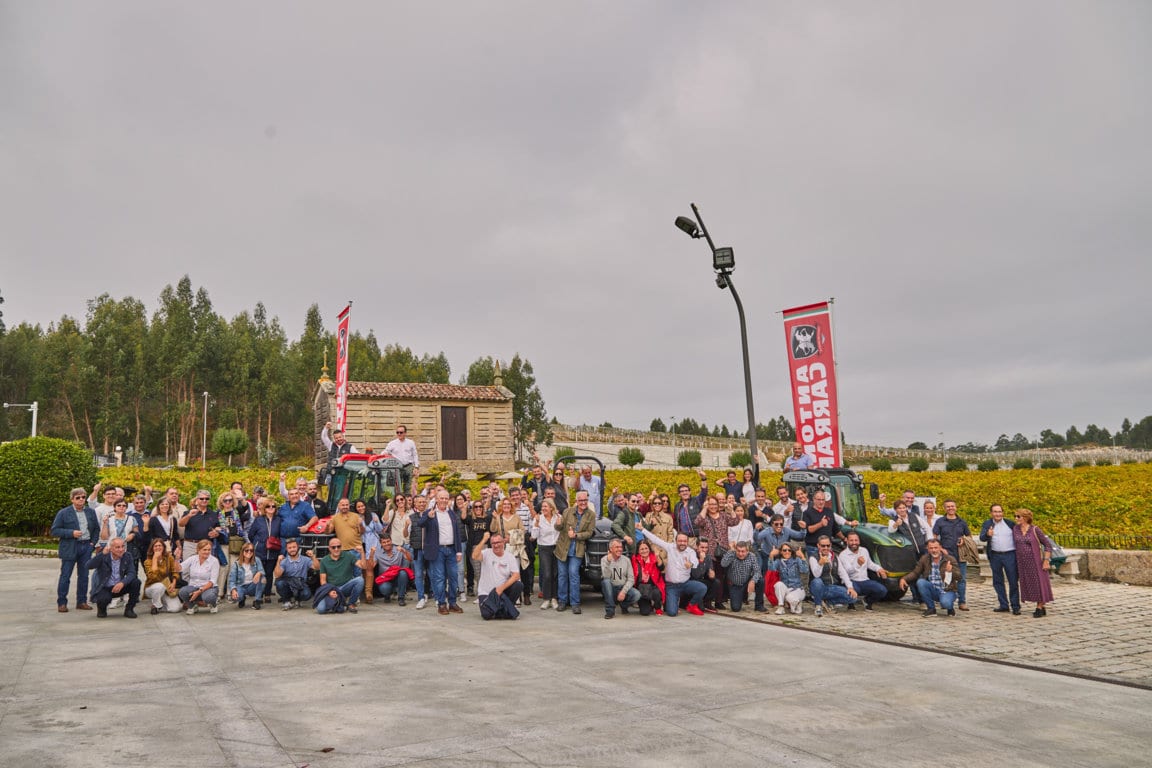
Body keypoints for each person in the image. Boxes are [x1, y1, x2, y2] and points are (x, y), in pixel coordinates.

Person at [51, 488, 101, 612]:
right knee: (65, 576)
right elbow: (55, 530)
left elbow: (96, 529)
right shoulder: (63, 513)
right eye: (78, 497)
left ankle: (82, 601)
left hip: (86, 547)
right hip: (70, 547)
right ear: (72, 499)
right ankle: (62, 603)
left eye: (83, 497)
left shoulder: (90, 512)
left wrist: (92, 544)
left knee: (84, 576)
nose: (81, 500)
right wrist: (71, 533)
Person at [419, 490, 463, 615]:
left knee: (454, 577)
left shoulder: (452, 514)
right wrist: (428, 517)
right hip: (437, 550)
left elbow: (457, 533)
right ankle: (442, 603)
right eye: (441, 498)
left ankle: (453, 603)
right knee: (439, 578)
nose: (444, 500)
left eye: (446, 498)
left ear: (448, 500)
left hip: (452, 549)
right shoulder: (430, 512)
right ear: (437, 499)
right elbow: (420, 523)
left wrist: (459, 551)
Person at [642, 530, 706, 616]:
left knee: (702, 588)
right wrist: (642, 529)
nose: (682, 543)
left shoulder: (691, 552)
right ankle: (674, 602)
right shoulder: (670, 547)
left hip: (685, 584)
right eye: (680, 541)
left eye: (684, 541)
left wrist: (690, 564)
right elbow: (655, 539)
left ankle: (692, 605)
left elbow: (696, 562)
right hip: (672, 586)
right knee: (672, 613)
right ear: (676, 541)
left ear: (687, 542)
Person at [554, 490, 596, 614]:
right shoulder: (567, 512)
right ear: (576, 501)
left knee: (573, 575)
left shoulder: (591, 515)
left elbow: (589, 533)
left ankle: (575, 603)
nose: (583, 503)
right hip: (563, 548)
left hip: (577, 549)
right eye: (581, 500)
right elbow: (559, 528)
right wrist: (558, 524)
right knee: (562, 575)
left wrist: (576, 535)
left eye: (585, 500)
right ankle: (562, 601)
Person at [900, 539, 960, 617]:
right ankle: (931, 609)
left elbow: (959, 577)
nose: (934, 550)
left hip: (947, 590)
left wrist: (950, 571)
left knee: (945, 604)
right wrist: (904, 579)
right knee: (921, 582)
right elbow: (916, 572)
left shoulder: (949, 559)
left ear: (940, 548)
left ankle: (950, 607)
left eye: (936, 548)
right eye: (931, 548)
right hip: (933, 589)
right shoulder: (925, 559)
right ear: (927, 549)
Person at [979, 504, 1020, 615]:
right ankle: (1003, 605)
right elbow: (982, 537)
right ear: (991, 513)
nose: (997, 514)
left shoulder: (1010, 524)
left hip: (1010, 555)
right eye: (995, 512)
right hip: (995, 555)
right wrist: (988, 534)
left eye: (999, 511)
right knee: (997, 581)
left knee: (1013, 580)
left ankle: (1015, 606)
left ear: (1003, 512)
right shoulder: (987, 523)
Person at [1013, 509, 1054, 618]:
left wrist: (1046, 560)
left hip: (1036, 562)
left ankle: (1039, 607)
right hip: (1022, 563)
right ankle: (1042, 605)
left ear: (1025, 518)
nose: (1016, 518)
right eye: (1015, 516)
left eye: (1018, 516)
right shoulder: (1015, 529)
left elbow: (1048, 545)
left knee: (1039, 583)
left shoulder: (1035, 530)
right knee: (1030, 585)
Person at [312, 537, 370, 614]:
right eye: (333, 547)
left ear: (341, 547)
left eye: (338, 546)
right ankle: (340, 602)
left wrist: (362, 553)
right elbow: (323, 580)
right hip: (332, 589)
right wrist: (329, 591)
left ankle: (351, 603)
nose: (336, 549)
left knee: (360, 580)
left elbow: (364, 566)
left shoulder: (348, 555)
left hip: (345, 587)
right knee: (321, 610)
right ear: (329, 548)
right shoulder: (324, 560)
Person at [932, 500, 972, 611]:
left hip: (960, 555)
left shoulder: (962, 522)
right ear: (944, 508)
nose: (950, 508)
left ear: (956, 507)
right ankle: (946, 600)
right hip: (946, 555)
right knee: (946, 578)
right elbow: (935, 537)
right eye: (948, 506)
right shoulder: (940, 521)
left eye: (952, 506)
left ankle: (962, 602)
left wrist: (964, 540)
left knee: (961, 579)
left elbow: (969, 536)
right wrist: (940, 549)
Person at [86, 537, 140, 618]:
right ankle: (102, 609)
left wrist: (122, 583)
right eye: (117, 547)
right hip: (105, 588)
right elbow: (88, 565)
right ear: (111, 548)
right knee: (103, 600)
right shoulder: (104, 556)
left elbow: (132, 573)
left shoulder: (127, 556)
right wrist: (101, 554)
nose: (121, 549)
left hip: (120, 586)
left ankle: (129, 609)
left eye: (123, 546)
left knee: (136, 582)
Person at [473, 533, 523, 618]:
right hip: (486, 593)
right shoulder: (486, 553)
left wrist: (501, 588)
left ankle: (503, 608)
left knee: (518, 585)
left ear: (503, 542)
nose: (496, 545)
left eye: (498, 542)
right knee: (486, 615)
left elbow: (516, 576)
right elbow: (474, 556)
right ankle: (504, 609)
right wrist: (484, 540)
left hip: (502, 591)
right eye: (493, 543)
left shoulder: (510, 557)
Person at [836, 532, 889, 610]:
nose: (854, 543)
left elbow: (870, 564)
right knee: (854, 590)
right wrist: (857, 564)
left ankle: (867, 601)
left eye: (856, 540)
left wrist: (879, 569)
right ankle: (851, 604)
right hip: (851, 581)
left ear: (859, 541)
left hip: (864, 581)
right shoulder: (843, 555)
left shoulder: (864, 550)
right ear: (847, 541)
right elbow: (847, 571)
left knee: (882, 590)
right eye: (851, 540)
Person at [808, 536, 857, 617]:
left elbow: (843, 573)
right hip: (818, 587)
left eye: (828, 545)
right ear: (818, 545)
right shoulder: (813, 557)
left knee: (853, 598)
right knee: (817, 581)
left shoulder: (835, 556)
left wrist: (850, 587)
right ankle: (818, 605)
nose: (826, 548)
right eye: (823, 546)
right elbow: (816, 575)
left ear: (830, 545)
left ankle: (828, 603)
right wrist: (820, 564)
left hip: (831, 587)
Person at [530, 498, 561, 609]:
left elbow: (562, 531)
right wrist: (537, 524)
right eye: (542, 507)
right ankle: (546, 598)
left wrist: (559, 524)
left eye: (545, 507)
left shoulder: (558, 517)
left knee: (555, 574)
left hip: (556, 547)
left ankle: (554, 598)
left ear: (551, 508)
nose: (543, 509)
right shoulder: (539, 518)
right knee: (547, 574)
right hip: (544, 548)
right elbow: (534, 536)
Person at [600, 538, 639, 619]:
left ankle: (624, 606)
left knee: (637, 595)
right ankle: (610, 611)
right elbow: (606, 576)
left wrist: (623, 592)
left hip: (622, 587)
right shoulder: (604, 560)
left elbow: (631, 579)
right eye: (617, 547)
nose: (620, 549)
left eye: (621, 547)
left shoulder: (626, 560)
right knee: (606, 582)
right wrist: (608, 562)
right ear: (611, 549)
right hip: (611, 588)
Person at [179, 540, 221, 615]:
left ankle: (213, 604)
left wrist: (199, 591)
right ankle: (192, 606)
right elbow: (179, 568)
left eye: (209, 550)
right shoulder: (193, 558)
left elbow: (212, 581)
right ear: (198, 550)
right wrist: (176, 558)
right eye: (204, 550)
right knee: (182, 592)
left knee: (209, 597)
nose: (207, 552)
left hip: (209, 587)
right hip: (193, 586)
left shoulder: (214, 561)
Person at [720, 541, 763, 612]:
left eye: (743, 551)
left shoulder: (752, 556)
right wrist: (731, 550)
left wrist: (753, 581)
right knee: (735, 608)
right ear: (735, 550)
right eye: (738, 551)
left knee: (761, 581)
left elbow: (757, 571)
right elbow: (723, 564)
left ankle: (759, 606)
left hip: (747, 582)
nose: (740, 554)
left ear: (747, 551)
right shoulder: (732, 554)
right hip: (735, 585)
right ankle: (742, 597)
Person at [143, 538, 182, 614]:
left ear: (163, 547)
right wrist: (155, 559)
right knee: (159, 586)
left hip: (166, 586)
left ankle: (161, 606)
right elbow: (153, 577)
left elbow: (174, 572)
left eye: (160, 545)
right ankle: (156, 605)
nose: (158, 548)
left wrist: (173, 583)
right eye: (155, 546)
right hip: (152, 587)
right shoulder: (148, 561)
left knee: (176, 608)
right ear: (152, 548)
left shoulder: (169, 558)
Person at [247, 497, 281, 586]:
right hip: (260, 550)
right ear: (264, 509)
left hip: (273, 550)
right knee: (260, 572)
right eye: (268, 506)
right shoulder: (259, 520)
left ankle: (267, 593)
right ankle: (258, 593)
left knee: (269, 573)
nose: (271, 508)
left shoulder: (278, 520)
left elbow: (280, 534)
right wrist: (257, 543)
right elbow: (251, 534)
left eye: (273, 506)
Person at [767, 543, 808, 614]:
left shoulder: (796, 560)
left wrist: (802, 557)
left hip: (797, 588)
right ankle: (781, 606)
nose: (787, 552)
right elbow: (771, 569)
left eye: (789, 550)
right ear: (781, 552)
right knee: (778, 584)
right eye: (784, 550)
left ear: (792, 552)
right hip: (786, 588)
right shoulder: (779, 561)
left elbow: (804, 570)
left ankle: (798, 603)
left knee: (791, 600)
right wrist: (771, 556)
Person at [273, 540, 313, 609]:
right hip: (288, 583)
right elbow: (277, 575)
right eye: (290, 548)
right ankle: (287, 601)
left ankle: (298, 600)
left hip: (300, 583)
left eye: (294, 547)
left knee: (307, 594)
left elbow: (317, 567)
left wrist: (313, 557)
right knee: (280, 583)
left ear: (298, 547)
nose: (292, 549)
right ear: (286, 549)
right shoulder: (284, 561)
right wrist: (278, 561)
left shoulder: (305, 559)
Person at [802, 490, 842, 557]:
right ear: (814, 500)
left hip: (827, 548)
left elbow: (835, 529)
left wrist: (844, 538)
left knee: (828, 566)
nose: (821, 502)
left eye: (823, 500)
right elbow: (809, 529)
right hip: (813, 548)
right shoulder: (807, 513)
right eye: (819, 500)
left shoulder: (829, 511)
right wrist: (820, 524)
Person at [373, 536, 412, 604]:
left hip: (397, 577)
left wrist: (404, 551)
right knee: (385, 589)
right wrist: (371, 554)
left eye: (388, 541)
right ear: (381, 544)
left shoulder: (398, 549)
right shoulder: (377, 552)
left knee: (403, 573)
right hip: (385, 578)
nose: (386, 543)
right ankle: (387, 595)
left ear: (391, 541)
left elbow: (410, 559)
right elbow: (371, 566)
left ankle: (401, 598)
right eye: (384, 542)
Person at [631, 539, 665, 616]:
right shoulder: (634, 558)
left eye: (646, 548)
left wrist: (657, 557)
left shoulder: (654, 557)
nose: (644, 551)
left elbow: (661, 568)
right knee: (645, 612)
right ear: (638, 551)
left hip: (653, 587)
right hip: (641, 588)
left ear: (649, 549)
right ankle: (649, 605)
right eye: (642, 549)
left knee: (656, 593)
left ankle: (657, 607)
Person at [227, 543, 266, 609]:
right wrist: (233, 590)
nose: (249, 552)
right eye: (246, 550)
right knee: (236, 598)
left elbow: (262, 571)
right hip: (241, 586)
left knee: (263, 579)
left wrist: (259, 573)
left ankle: (257, 601)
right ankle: (242, 599)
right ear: (242, 551)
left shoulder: (257, 560)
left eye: (251, 550)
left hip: (252, 585)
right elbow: (232, 580)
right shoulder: (236, 564)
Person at [672, 470, 709, 539]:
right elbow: (677, 522)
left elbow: (704, 491)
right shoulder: (677, 506)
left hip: (698, 536)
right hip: (685, 538)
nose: (684, 492)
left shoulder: (696, 500)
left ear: (690, 492)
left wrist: (703, 478)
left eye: (686, 490)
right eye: (682, 491)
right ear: (679, 494)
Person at [385, 424, 419, 494]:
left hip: (408, 466)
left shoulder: (411, 442)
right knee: (397, 487)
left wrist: (416, 467)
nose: (399, 434)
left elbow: (415, 455)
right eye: (397, 432)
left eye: (401, 432)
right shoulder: (392, 443)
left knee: (408, 486)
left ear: (405, 433)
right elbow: (385, 452)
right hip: (397, 467)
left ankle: (407, 501)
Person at [690, 540, 722, 613]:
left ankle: (706, 602)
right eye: (702, 547)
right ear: (697, 547)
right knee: (701, 609)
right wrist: (701, 560)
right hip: (692, 581)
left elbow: (710, 572)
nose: (704, 550)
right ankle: (696, 602)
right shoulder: (692, 556)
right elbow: (695, 575)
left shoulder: (708, 557)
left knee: (716, 582)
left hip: (701, 581)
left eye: (706, 547)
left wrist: (712, 575)